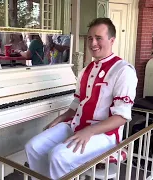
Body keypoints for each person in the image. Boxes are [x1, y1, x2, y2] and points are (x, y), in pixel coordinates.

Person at [24, 18, 138, 179]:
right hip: (76, 125)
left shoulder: (123, 70)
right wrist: (62, 118)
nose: (93, 43)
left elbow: (121, 117)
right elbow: (77, 104)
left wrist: (90, 131)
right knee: (33, 147)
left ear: (112, 40)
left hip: (104, 135)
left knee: (58, 156)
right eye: (90, 38)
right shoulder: (85, 70)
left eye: (99, 38)